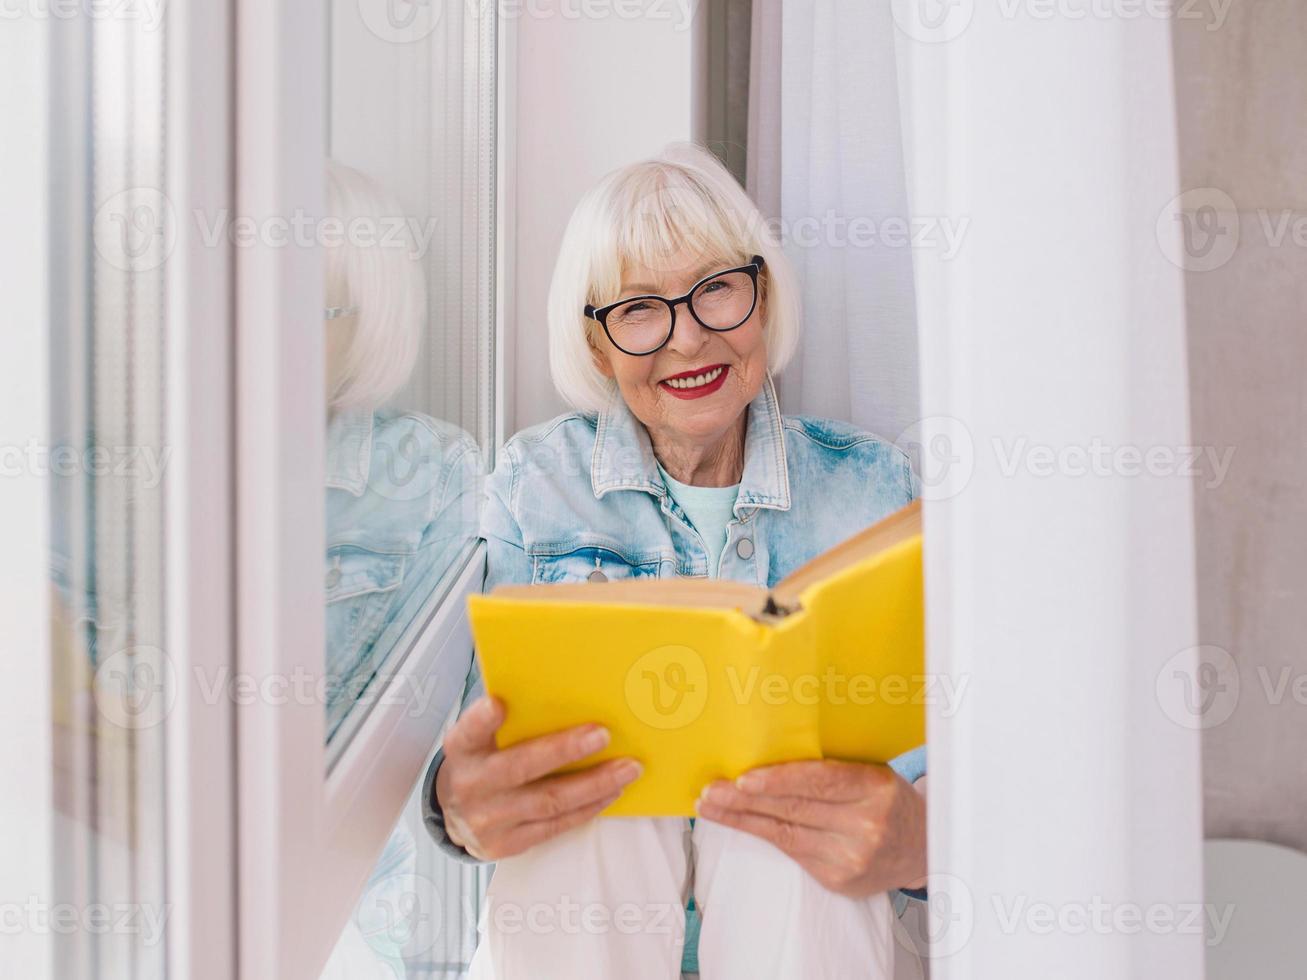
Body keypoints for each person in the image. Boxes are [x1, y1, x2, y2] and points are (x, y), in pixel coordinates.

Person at [421, 143, 927, 979]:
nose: (688, 339)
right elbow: (478, 756)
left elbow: (946, 770)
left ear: (761, 299)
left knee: (787, 810)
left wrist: (916, 847)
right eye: (639, 310)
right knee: (591, 798)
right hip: (585, 919)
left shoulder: (870, 487)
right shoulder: (533, 486)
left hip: (809, 929)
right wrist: (456, 809)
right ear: (595, 345)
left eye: (715, 290)